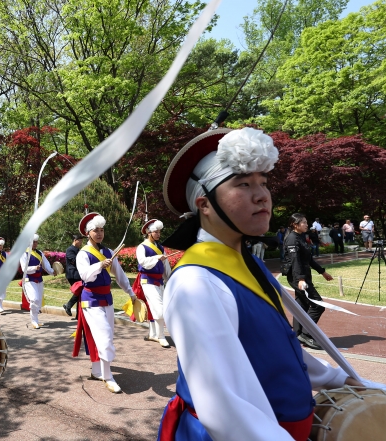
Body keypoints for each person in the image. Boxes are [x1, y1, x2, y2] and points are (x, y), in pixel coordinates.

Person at [157, 127, 366, 441]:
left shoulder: (248, 263)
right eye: (243, 184)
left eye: (263, 183)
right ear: (204, 205)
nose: (261, 195)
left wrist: (337, 379)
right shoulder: (195, 282)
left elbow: (276, 347)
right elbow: (223, 408)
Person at [72, 212, 137, 394]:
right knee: (105, 337)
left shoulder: (108, 252)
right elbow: (84, 275)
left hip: (107, 299)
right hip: (90, 300)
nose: (100, 233)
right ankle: (108, 376)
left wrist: (131, 293)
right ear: (88, 233)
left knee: (103, 336)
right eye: (96, 230)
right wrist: (100, 265)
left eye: (102, 230)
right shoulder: (83, 254)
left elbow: (120, 275)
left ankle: (96, 370)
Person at [284, 213, 333, 350]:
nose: (307, 225)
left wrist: (322, 272)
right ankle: (306, 334)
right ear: (295, 224)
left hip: (303, 275)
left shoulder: (300, 237)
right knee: (318, 305)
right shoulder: (292, 239)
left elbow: (309, 259)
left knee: (301, 306)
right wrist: (300, 279)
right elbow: (295, 261)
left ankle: (297, 335)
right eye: (304, 222)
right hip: (297, 277)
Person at [134, 219, 171, 348]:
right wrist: (156, 258)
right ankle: (161, 336)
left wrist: (169, 279)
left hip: (159, 280)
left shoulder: (160, 247)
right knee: (159, 308)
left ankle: (153, 334)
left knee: (155, 307)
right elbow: (143, 262)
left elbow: (166, 265)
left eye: (159, 232)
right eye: (156, 232)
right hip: (147, 280)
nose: (158, 234)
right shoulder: (141, 247)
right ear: (149, 232)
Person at [62, 234, 84, 319]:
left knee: (80, 295)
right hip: (73, 274)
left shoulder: (79, 250)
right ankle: (68, 305)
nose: (81, 242)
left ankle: (78, 315)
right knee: (79, 292)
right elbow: (75, 261)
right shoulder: (70, 250)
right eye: (80, 241)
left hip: (77, 274)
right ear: (75, 240)